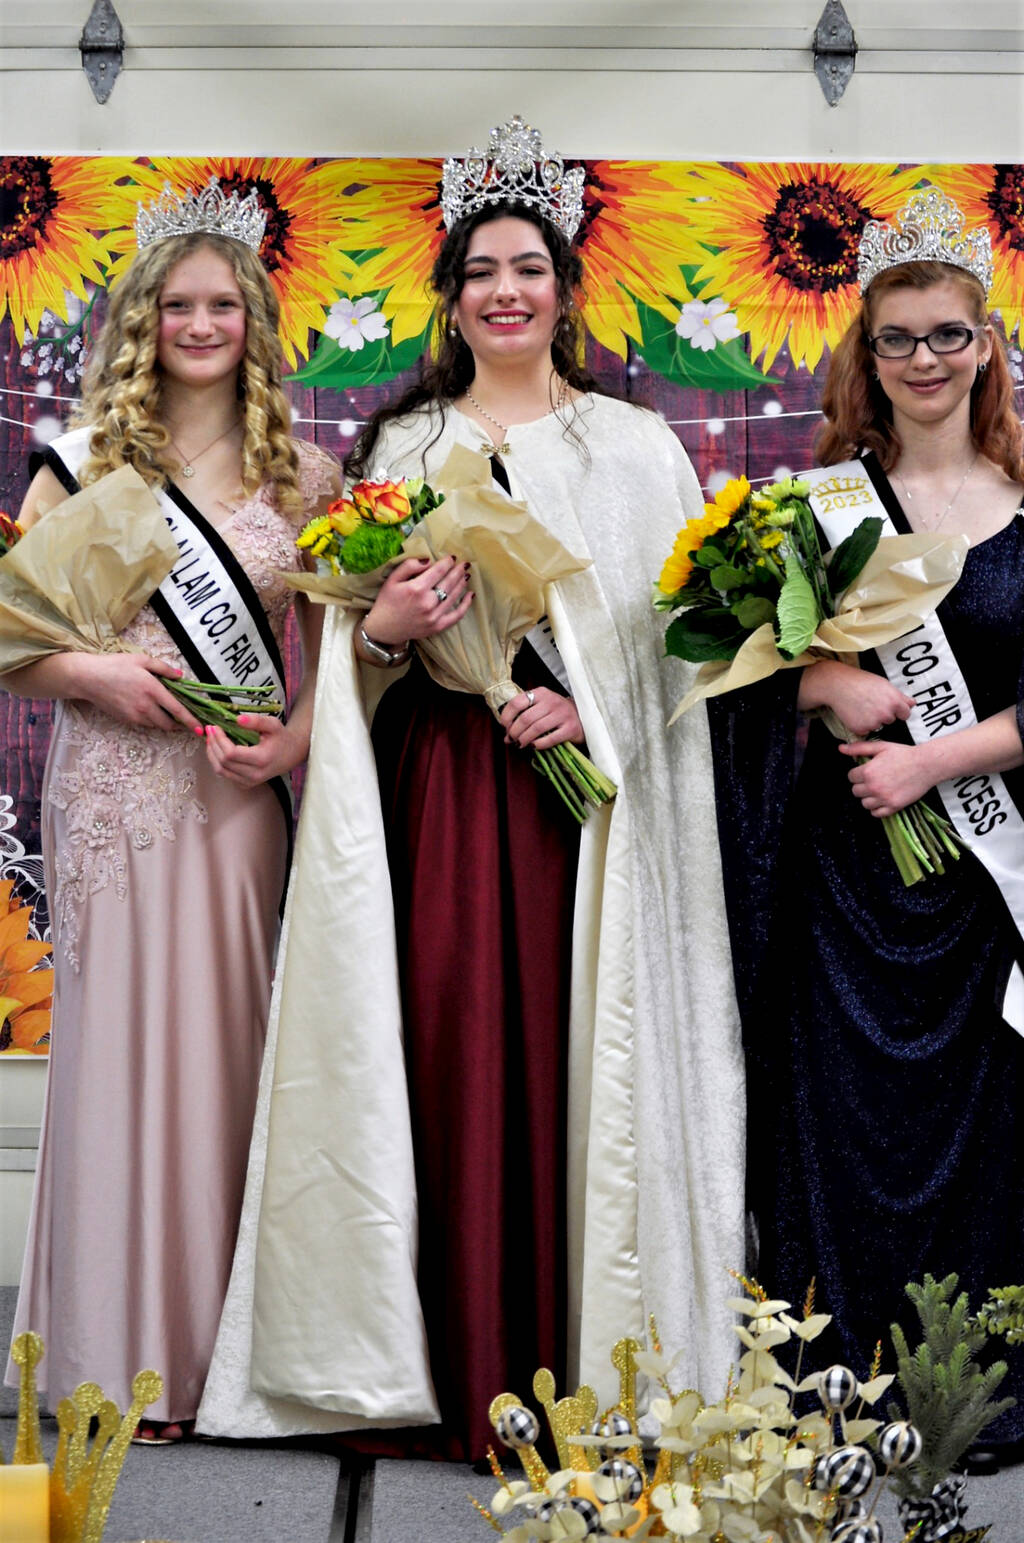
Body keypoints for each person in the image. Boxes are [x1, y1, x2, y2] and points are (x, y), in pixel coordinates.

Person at [196, 119, 744, 1459]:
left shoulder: (635, 449)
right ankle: (450, 1353)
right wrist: (392, 624)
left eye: (530, 268)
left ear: (564, 291)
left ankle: (581, 1351)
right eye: (482, 271)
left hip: (585, 807)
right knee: (452, 1050)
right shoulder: (404, 447)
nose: (507, 290)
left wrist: (589, 714)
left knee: (575, 1057)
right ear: (451, 301)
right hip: (450, 793)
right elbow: (357, 653)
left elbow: (665, 646)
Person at [3, 180, 337, 1440]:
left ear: (250, 319)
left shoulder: (302, 474)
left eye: (222, 305)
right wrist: (94, 671)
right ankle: (109, 1359)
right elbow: (11, 636)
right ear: (143, 318)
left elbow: (343, 663)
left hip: (233, 798)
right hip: (107, 789)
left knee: (226, 1056)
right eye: (176, 304)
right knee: (116, 1054)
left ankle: (220, 1358)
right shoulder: (80, 463)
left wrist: (293, 742)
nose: (199, 325)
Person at [709, 188, 1024, 1447]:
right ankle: (846, 1374)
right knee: (842, 1121)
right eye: (897, 339)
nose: (924, 361)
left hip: (987, 881)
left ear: (987, 344)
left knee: (986, 1128)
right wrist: (814, 678)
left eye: (947, 334)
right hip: (847, 881)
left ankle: (973, 1386)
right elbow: (747, 670)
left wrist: (930, 760)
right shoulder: (822, 503)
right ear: (866, 354)